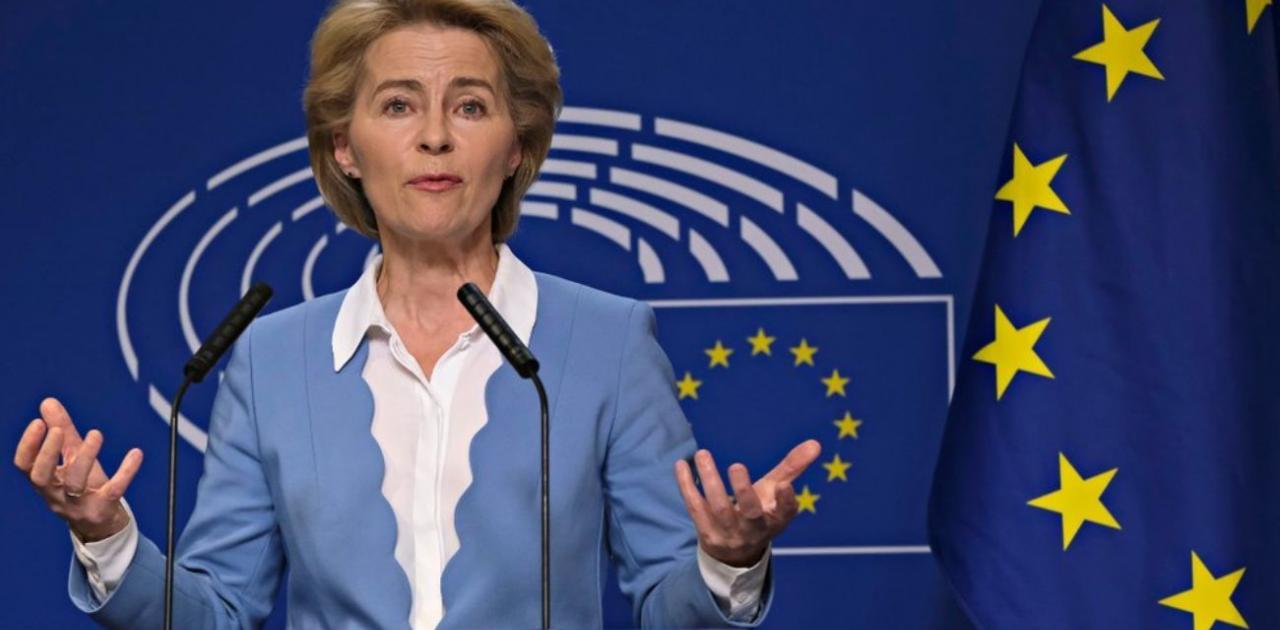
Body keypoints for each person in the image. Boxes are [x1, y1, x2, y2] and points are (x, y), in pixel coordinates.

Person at [12, 0, 821, 627]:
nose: (435, 137)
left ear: (515, 146)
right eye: (399, 105)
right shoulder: (271, 361)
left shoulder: (607, 342)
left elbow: (668, 605)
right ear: (345, 147)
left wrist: (726, 562)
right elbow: (217, 611)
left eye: (469, 107)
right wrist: (108, 540)